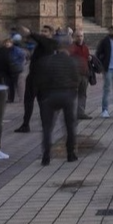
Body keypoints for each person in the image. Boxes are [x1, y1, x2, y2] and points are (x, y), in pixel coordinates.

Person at [34, 31, 80, 165]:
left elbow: (39, 80)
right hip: (67, 95)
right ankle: (70, 154)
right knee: (70, 126)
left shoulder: (45, 61)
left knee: (47, 127)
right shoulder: (72, 61)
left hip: (49, 96)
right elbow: (76, 79)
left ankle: (46, 156)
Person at [15, 26, 55, 132]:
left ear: (51, 33)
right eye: (41, 30)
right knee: (31, 101)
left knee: (40, 102)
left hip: (39, 77)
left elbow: (40, 39)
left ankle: (35, 125)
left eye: (45, 31)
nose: (42, 33)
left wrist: (30, 32)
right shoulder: (43, 44)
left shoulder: (50, 43)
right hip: (36, 76)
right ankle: (27, 124)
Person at [68, 31, 92, 119]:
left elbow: (87, 59)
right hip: (74, 75)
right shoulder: (71, 48)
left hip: (84, 75)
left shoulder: (85, 47)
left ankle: (80, 113)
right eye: (78, 36)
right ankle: (70, 113)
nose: (80, 38)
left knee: (83, 94)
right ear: (74, 37)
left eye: (81, 36)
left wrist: (89, 58)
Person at [7, 33, 28, 107]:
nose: (7, 44)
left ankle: (21, 98)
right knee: (10, 85)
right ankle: (11, 98)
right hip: (9, 69)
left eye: (8, 43)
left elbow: (23, 57)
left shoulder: (17, 50)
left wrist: (17, 63)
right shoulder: (6, 50)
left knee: (18, 84)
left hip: (16, 68)